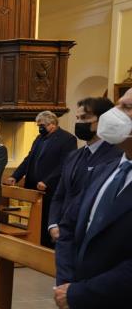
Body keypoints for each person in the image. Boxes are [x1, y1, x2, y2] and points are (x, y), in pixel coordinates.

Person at [52, 90, 132, 309]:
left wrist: (82, 295)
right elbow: (71, 226)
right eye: (119, 104)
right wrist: (69, 289)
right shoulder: (111, 167)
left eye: (127, 107)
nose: (116, 112)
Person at [48, 97, 121, 245]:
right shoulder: (73, 156)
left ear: (104, 120)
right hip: (65, 234)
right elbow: (60, 194)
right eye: (78, 118)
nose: (79, 123)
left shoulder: (117, 156)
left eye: (85, 118)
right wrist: (53, 224)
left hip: (95, 238)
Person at [6, 110, 77, 246]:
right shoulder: (39, 139)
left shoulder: (67, 139)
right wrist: (15, 176)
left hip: (51, 188)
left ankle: (47, 245)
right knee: (37, 219)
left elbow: (65, 164)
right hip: (34, 186)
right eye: (38, 125)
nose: (40, 128)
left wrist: (47, 181)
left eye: (42, 125)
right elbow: (29, 159)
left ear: (52, 124)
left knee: (48, 218)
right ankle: (36, 243)